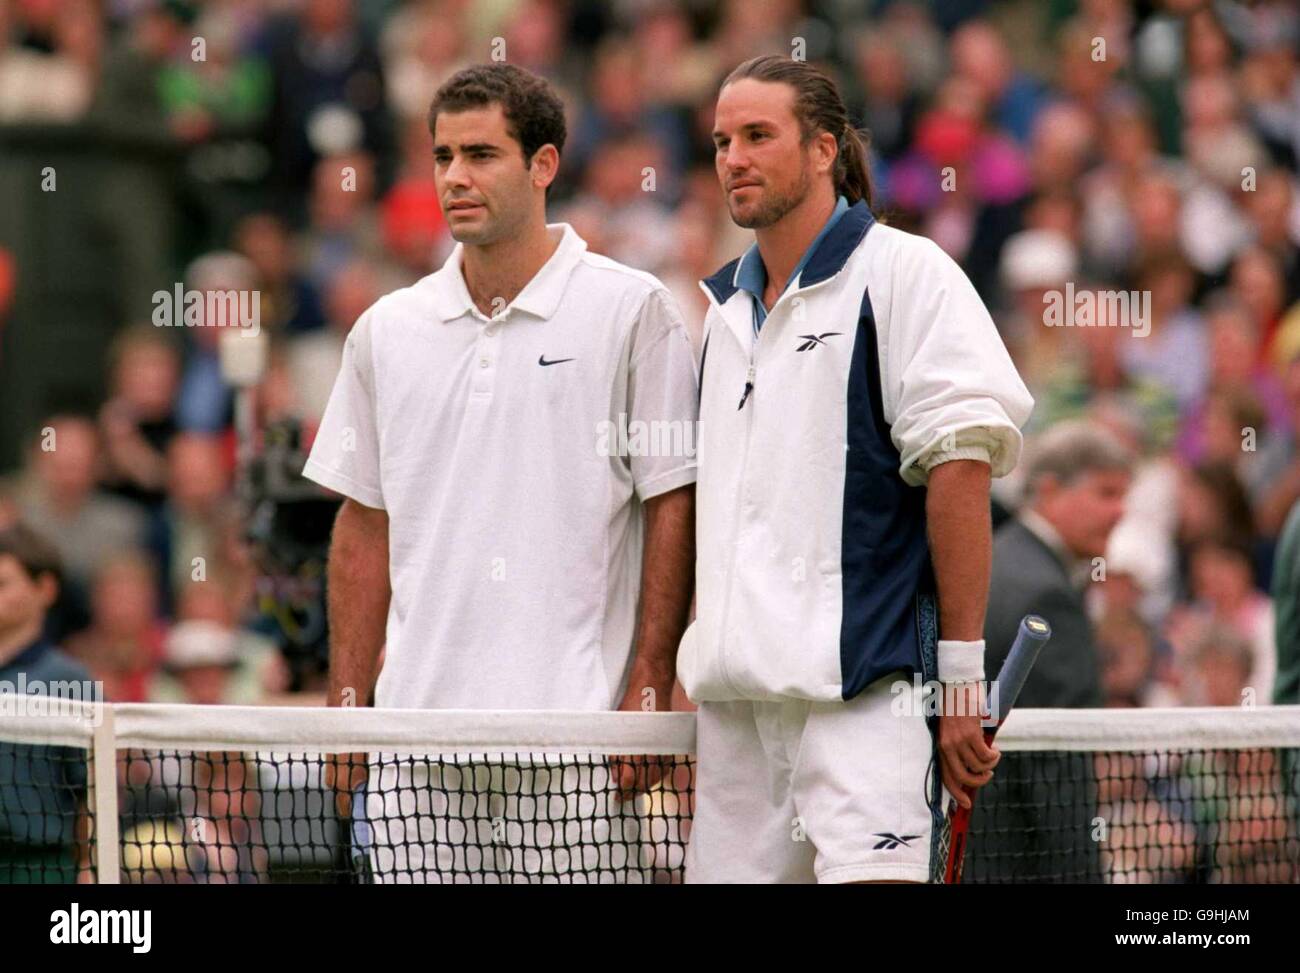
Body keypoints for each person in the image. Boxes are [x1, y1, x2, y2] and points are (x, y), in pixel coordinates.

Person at [304, 63, 698, 882]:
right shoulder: (386, 329)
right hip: (415, 751)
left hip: (579, 750)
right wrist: (349, 704)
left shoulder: (634, 309)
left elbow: (673, 501)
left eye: (481, 154)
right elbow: (363, 521)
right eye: (442, 156)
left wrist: (653, 683)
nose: (455, 177)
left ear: (543, 165)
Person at [679, 55, 1033, 884]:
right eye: (722, 140)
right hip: (735, 723)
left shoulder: (907, 274)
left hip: (870, 707)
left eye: (758, 135)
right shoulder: (719, 313)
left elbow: (959, 470)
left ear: (823, 150)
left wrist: (959, 682)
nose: (733, 157)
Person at [966, 420, 1133, 883]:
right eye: (1106, 493)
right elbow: (1059, 762)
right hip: (1017, 860)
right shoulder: (1045, 595)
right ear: (1050, 490)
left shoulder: (998, 557)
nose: (1121, 512)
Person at [0, 522, 96, 883]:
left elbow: (90, 790)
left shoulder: (67, 679)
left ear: (45, 589)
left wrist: (90, 865)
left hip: (40, 867)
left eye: (3, 584)